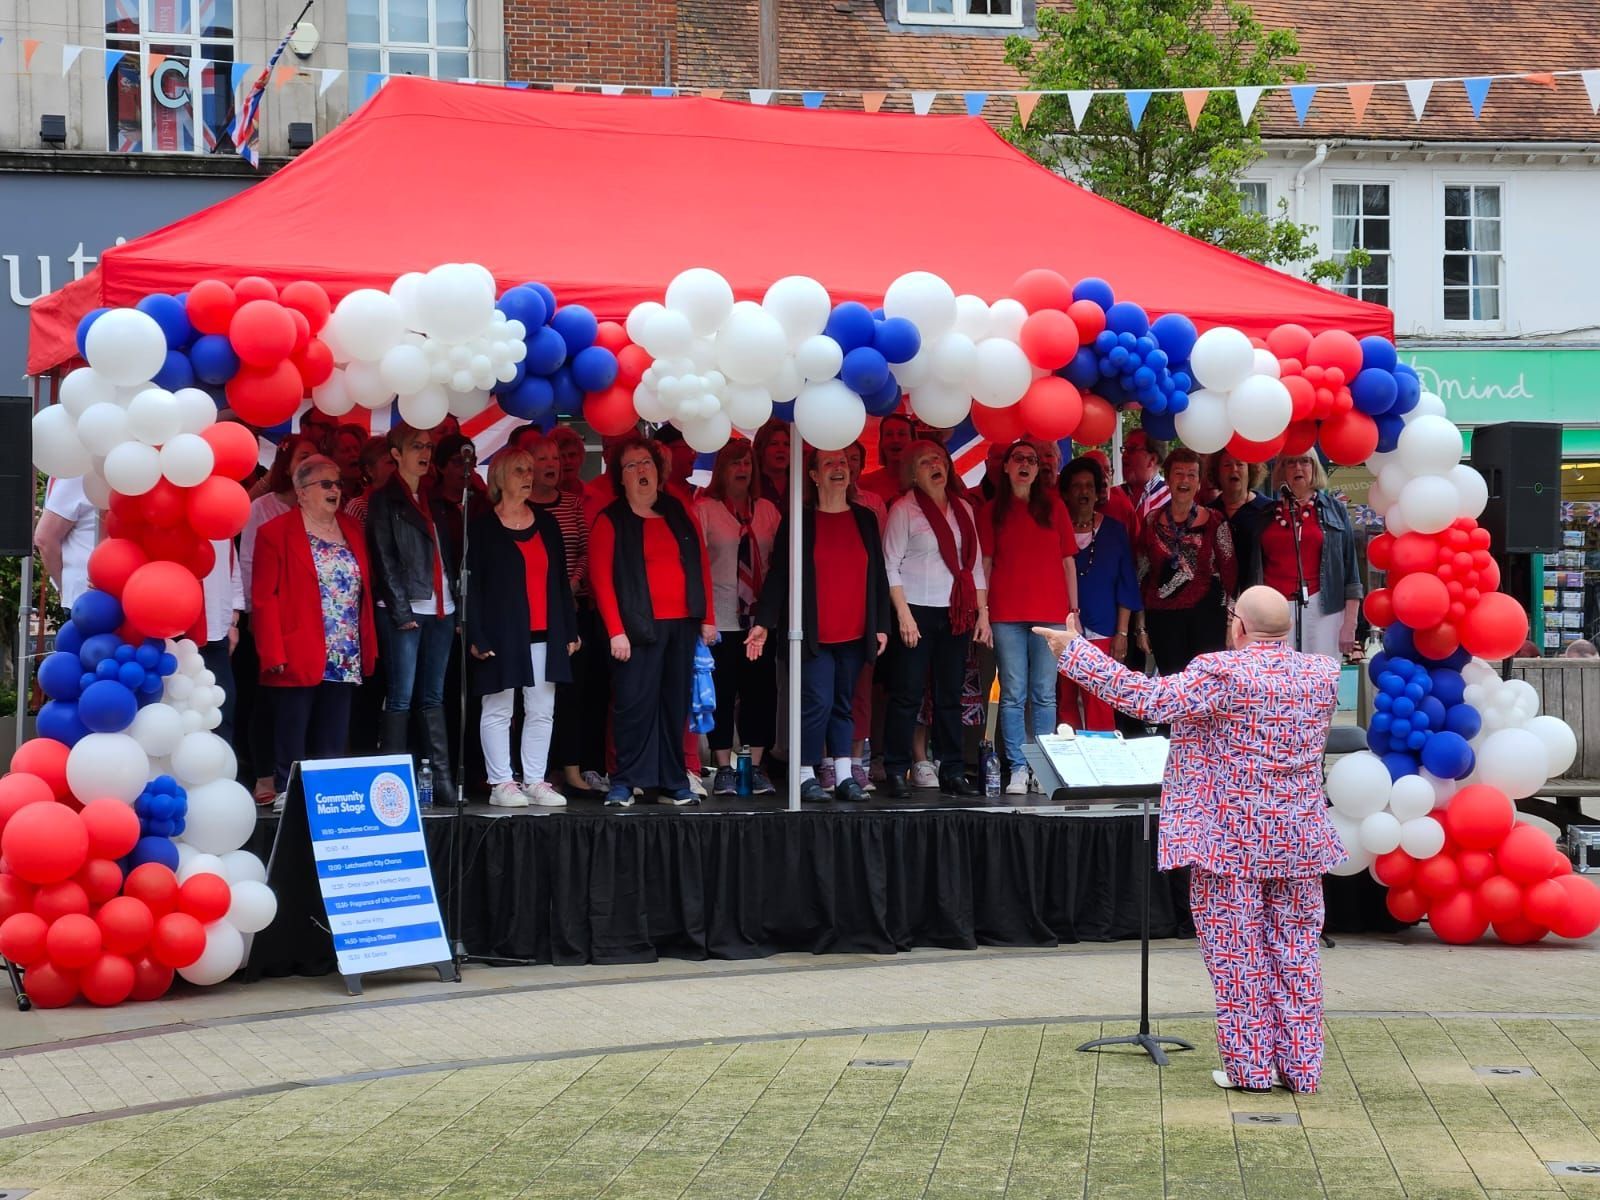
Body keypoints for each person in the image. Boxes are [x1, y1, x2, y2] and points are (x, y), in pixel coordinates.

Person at [1036, 586, 1344, 1094]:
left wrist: (1074, 652)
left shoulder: (1222, 672)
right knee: (1296, 953)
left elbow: (1147, 700)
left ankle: (1251, 1071)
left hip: (1230, 842)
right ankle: (1302, 1068)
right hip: (1299, 839)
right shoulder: (1322, 674)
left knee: (1238, 958)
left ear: (1237, 625)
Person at [747, 447, 891, 803]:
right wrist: (764, 623)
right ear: (813, 474)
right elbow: (779, 574)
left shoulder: (865, 518)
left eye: (842, 462)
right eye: (829, 463)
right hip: (813, 633)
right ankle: (805, 774)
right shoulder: (798, 521)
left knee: (844, 703)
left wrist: (881, 624)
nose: (838, 468)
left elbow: (878, 576)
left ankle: (843, 775)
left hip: (856, 631)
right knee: (817, 703)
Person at [589, 436, 717, 807]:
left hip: (681, 626)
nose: (641, 470)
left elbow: (700, 564)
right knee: (633, 705)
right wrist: (616, 631)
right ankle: (625, 782)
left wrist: (707, 618)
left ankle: (672, 782)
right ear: (621, 477)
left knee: (673, 706)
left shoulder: (679, 511)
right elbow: (601, 580)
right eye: (631, 466)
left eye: (645, 463)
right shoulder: (610, 520)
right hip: (635, 629)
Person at [251, 456, 376, 809]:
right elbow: (264, 599)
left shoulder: (353, 529)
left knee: (334, 731)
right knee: (293, 726)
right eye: (326, 484)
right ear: (301, 491)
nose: (335, 490)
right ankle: (288, 790)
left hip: (344, 647)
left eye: (338, 484)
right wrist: (272, 651)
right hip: (297, 646)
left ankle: (331, 794)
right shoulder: (274, 533)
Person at [465, 449, 580, 808]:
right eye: (519, 470)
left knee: (541, 709)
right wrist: (475, 635)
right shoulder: (482, 526)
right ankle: (501, 782)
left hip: (546, 630)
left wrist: (571, 629)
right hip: (501, 633)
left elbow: (560, 580)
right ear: (499, 477)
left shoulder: (546, 523)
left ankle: (534, 780)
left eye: (529, 469)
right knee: (499, 708)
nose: (528, 475)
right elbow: (474, 586)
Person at [881, 439, 990, 798]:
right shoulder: (904, 509)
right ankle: (897, 768)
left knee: (949, 696)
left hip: (954, 612)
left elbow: (972, 567)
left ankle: (952, 769)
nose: (935, 465)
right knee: (907, 694)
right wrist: (903, 615)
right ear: (914, 473)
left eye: (940, 459)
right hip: (915, 609)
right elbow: (890, 565)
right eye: (926, 461)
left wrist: (982, 614)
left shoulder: (963, 508)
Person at [366, 423, 461, 801]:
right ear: (396, 454)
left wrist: (455, 602)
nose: (424, 452)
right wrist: (402, 610)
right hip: (406, 607)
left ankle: (440, 780)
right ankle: (393, 783)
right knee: (401, 695)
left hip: (442, 607)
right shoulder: (383, 499)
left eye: (428, 446)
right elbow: (384, 558)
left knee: (433, 696)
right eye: (416, 446)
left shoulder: (435, 499)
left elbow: (447, 557)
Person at [980, 439, 1078, 793]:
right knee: (1012, 693)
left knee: (1044, 694)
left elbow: (1068, 560)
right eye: (1018, 459)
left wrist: (1073, 611)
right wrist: (983, 611)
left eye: (1032, 460)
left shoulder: (1054, 506)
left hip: (1051, 612)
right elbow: (986, 564)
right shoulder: (991, 509)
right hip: (1006, 612)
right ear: (1006, 467)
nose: (1025, 465)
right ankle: (1018, 768)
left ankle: (1043, 767)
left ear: (1039, 469)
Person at [695, 440, 782, 795]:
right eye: (734, 463)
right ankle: (724, 766)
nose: (742, 468)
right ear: (721, 470)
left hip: (759, 622)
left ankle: (755, 765)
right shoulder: (705, 509)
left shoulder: (767, 511)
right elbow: (696, 566)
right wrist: (704, 617)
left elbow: (780, 566)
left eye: (746, 462)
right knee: (723, 691)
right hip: (721, 620)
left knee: (760, 692)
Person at [239, 432, 321, 803]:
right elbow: (248, 562)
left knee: (306, 703)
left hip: (309, 619)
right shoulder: (263, 507)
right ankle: (265, 773)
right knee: (268, 700)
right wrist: (250, 612)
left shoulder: (320, 512)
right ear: (286, 464)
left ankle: (308, 775)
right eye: (303, 456)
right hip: (269, 615)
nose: (309, 463)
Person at [1133, 447, 1236, 676]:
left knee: (1206, 690)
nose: (1185, 480)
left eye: (1192, 474)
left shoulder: (1216, 522)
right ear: (1167, 479)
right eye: (1179, 473)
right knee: (1173, 689)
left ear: (1199, 483)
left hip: (1208, 620)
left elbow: (1230, 577)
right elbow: (1140, 577)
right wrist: (1140, 627)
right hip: (1163, 621)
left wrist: (1231, 626)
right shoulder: (1151, 521)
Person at [1058, 457, 1140, 733]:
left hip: (1104, 628)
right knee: (1065, 698)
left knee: (1099, 699)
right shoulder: (1056, 529)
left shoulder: (1115, 530)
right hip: (1062, 627)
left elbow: (1127, 584)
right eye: (1077, 486)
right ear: (1066, 492)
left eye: (1089, 486)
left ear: (1098, 492)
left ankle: (1102, 761)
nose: (1083, 492)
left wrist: (1123, 633)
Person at [1254, 454, 1362, 660]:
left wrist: (1350, 624)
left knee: (1320, 679)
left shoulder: (1335, 510)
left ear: (1314, 468)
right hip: (1272, 609)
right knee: (1278, 680)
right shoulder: (1265, 514)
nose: (1298, 468)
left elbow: (1351, 572)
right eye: (1290, 462)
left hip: (1324, 608)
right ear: (1281, 470)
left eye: (1305, 461)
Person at [198, 540, 244, 748]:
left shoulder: (221, 517)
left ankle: (222, 774)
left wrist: (233, 620)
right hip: (175, 631)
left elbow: (232, 570)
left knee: (223, 708)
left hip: (217, 631)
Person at [1209, 451, 1271, 596]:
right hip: (1215, 602)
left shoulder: (1268, 512)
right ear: (1217, 472)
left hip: (1257, 601)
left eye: (1240, 464)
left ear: (1250, 470)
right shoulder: (1207, 513)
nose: (1234, 469)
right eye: (1227, 465)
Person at [34, 476, 99, 610]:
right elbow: (45, 539)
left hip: (126, 591)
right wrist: (64, 587)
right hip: (87, 595)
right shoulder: (80, 475)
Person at [857, 413, 914, 505]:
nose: (895, 440)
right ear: (881, 443)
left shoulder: (926, 482)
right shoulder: (862, 484)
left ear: (913, 441)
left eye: (902, 434)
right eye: (889, 434)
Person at [342, 436, 396, 525]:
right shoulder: (359, 507)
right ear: (369, 470)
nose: (396, 468)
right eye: (390, 463)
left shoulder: (405, 503)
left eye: (398, 462)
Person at [752, 420, 792, 507]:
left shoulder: (800, 484)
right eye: (774, 444)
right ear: (761, 448)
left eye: (787, 444)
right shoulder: (749, 484)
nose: (781, 449)